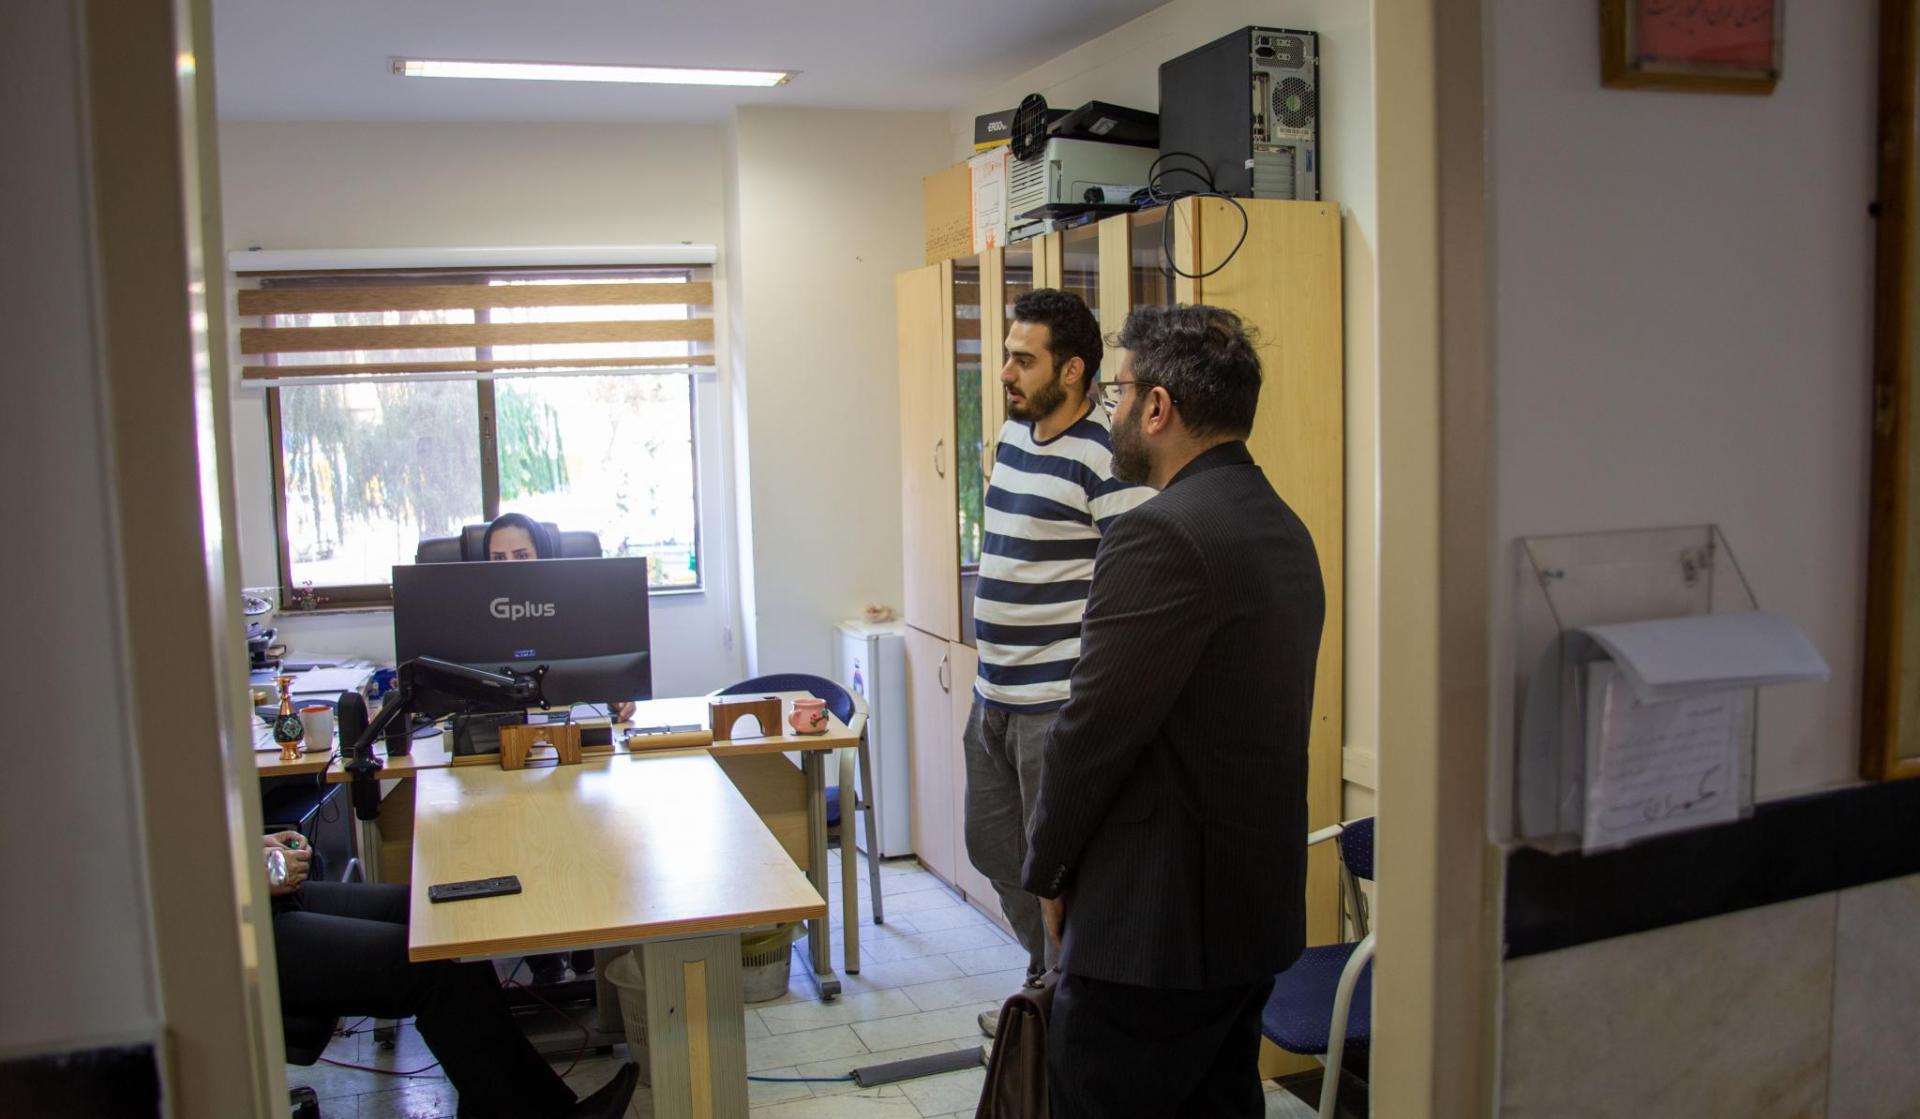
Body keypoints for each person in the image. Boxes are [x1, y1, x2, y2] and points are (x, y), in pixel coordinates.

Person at [1021, 305, 1325, 1118]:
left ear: (1158, 407)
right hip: (1246, 919)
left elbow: (1090, 735)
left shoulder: (1160, 534)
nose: (1112, 411)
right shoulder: (1284, 527)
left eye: (1119, 392)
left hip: (1151, 935)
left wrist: (1048, 869)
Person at [964, 288, 1151, 1036]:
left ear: (1072, 370)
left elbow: (1132, 591)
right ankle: (1047, 985)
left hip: (1054, 705)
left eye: (1023, 359)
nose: (1005, 372)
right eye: (1007, 356)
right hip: (992, 694)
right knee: (993, 849)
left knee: (1059, 876)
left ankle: (1062, 1019)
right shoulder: (1015, 437)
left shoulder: (1108, 456)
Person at [266, 832, 638, 1119]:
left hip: (267, 898)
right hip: (248, 937)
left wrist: (263, 846)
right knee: (438, 966)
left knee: (441, 918)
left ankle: (497, 1106)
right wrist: (261, 868)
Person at [481, 512, 630, 985]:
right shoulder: (473, 616)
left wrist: (618, 694)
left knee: (586, 818)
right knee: (510, 825)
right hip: (501, 757)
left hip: (574, 754)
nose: (510, 567)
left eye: (521, 555)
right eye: (497, 559)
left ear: (542, 556)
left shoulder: (576, 607)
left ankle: (588, 938)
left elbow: (608, 672)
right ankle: (537, 947)